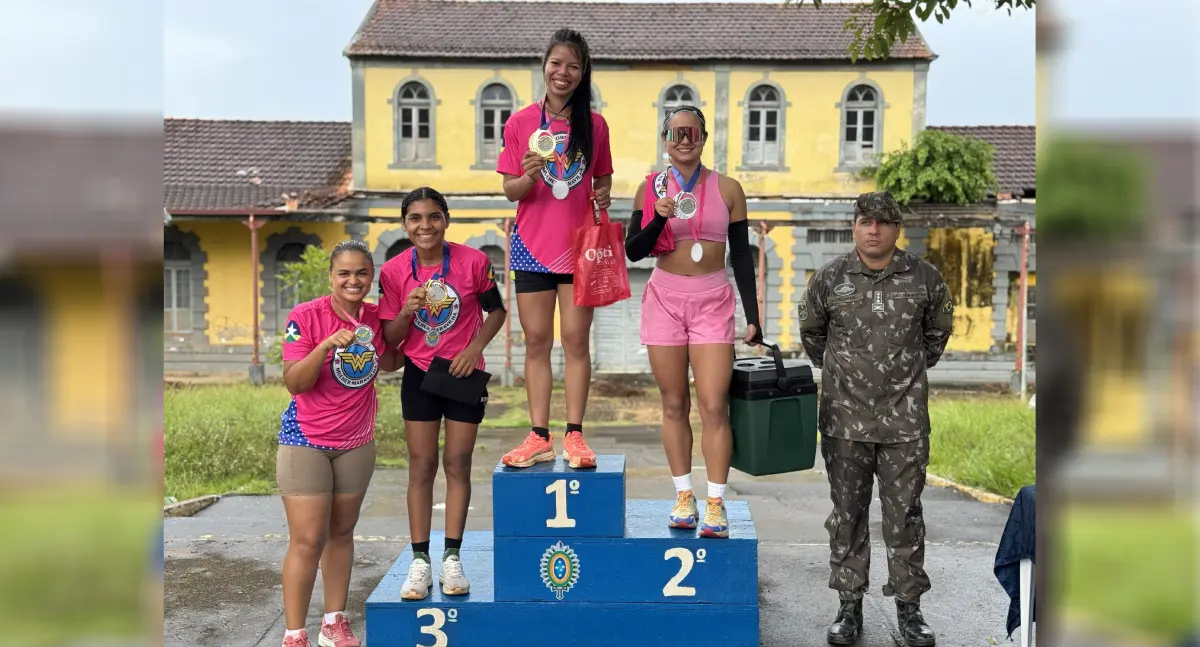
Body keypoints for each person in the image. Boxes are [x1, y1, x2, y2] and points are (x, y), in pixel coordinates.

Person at [798, 191, 953, 646]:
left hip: (905, 421)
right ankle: (849, 607)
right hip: (844, 421)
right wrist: (847, 375)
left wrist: (901, 376)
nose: (874, 230)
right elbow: (812, 335)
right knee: (847, 515)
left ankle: (910, 609)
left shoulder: (925, 278)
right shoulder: (829, 278)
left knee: (904, 516)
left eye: (883, 222)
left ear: (896, 228)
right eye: (866, 221)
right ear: (854, 226)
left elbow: (936, 336)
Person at [624, 105, 763, 538]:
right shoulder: (650, 188)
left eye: (692, 133)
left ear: (703, 138)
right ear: (665, 140)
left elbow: (742, 256)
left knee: (714, 404)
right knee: (673, 404)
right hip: (665, 299)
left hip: (712, 300)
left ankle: (716, 502)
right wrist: (658, 217)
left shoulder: (729, 188)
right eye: (676, 133)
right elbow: (634, 251)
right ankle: (684, 496)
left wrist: (753, 316)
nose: (684, 141)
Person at [378, 187, 508, 601]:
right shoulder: (394, 271)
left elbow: (497, 311)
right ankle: (420, 560)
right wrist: (406, 311)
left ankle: (452, 556)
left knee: (457, 462)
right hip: (420, 373)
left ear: (446, 220)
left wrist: (474, 348)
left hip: (462, 374)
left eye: (434, 216)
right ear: (405, 225)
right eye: (415, 218)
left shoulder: (473, 262)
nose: (425, 226)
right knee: (421, 465)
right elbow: (390, 338)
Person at [495, 28, 612, 470]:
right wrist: (528, 175)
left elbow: (602, 178)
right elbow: (511, 190)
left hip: (581, 248)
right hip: (531, 246)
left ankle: (575, 435)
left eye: (573, 66)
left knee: (576, 341)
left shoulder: (595, 125)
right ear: (544, 66)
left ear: (583, 73)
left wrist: (603, 194)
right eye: (556, 63)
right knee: (537, 342)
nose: (563, 72)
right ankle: (539, 436)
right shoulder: (520, 123)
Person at [277, 240, 403, 647]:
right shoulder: (305, 316)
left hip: (356, 442)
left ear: (371, 276)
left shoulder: (375, 318)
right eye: (344, 273)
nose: (353, 280)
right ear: (331, 276)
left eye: (361, 273)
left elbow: (391, 360)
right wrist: (324, 347)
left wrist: (415, 320)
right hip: (306, 441)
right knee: (308, 539)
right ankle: (294, 634)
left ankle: (334, 623)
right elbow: (295, 382)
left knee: (342, 533)